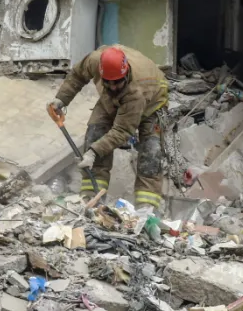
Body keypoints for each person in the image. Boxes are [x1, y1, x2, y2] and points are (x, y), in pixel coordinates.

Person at [47, 45, 168, 209]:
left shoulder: (137, 92)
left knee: (151, 152)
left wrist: (93, 152)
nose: (113, 87)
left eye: (117, 82)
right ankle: (92, 197)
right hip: (111, 101)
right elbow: (77, 75)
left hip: (153, 103)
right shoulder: (95, 61)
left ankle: (146, 207)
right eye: (108, 83)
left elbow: (122, 130)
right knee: (95, 135)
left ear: (126, 74)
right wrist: (61, 99)